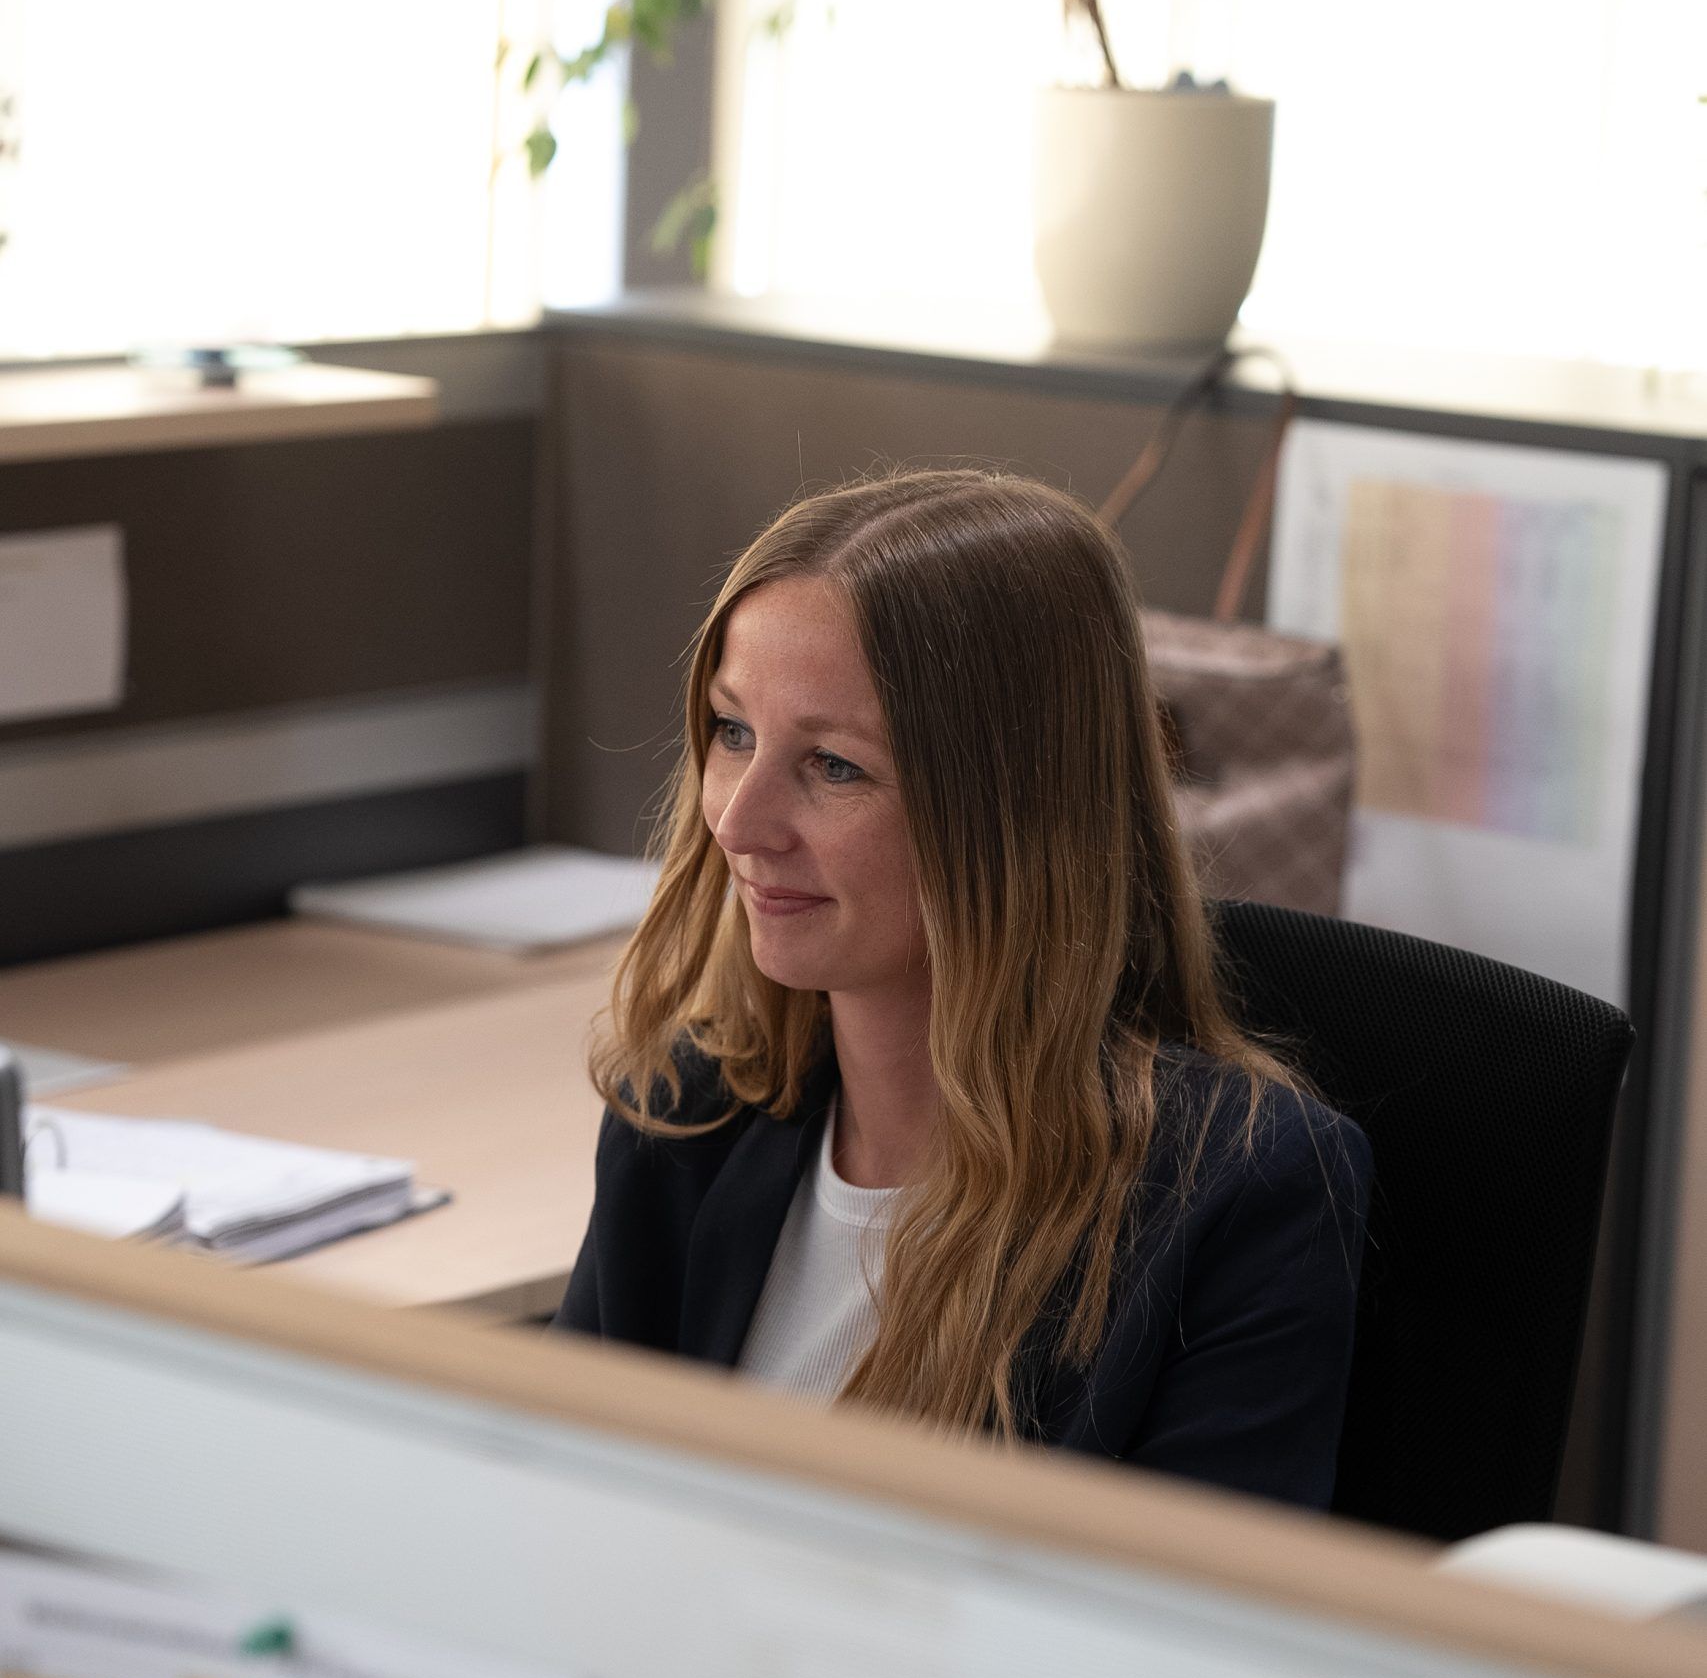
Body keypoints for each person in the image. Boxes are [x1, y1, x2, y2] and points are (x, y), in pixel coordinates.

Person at [554, 468, 1371, 1509]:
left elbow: (1170, 1652)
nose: (739, 820)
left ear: (1012, 813)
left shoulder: (1233, 1194)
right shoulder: (687, 1111)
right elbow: (565, 1518)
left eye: (834, 766)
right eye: (733, 733)